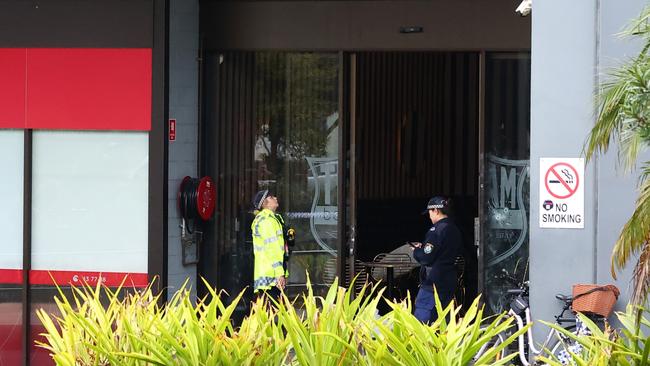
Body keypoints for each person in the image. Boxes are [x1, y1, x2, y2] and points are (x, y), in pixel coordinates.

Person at [410, 196, 462, 323]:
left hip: (433, 283)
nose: (429, 216)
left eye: (430, 212)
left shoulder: (436, 230)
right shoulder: (454, 229)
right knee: (444, 321)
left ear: (436, 211)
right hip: (449, 280)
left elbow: (426, 257)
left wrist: (417, 251)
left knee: (421, 322)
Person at [251, 189, 293, 300]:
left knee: (270, 312)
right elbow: (273, 249)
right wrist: (280, 273)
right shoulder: (267, 220)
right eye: (271, 197)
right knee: (273, 312)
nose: (275, 198)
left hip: (268, 276)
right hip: (271, 277)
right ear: (264, 204)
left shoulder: (270, 219)